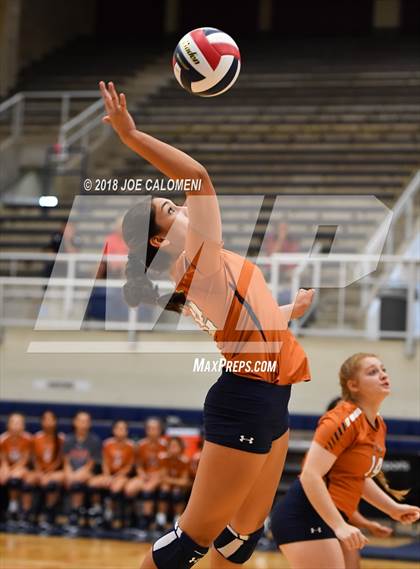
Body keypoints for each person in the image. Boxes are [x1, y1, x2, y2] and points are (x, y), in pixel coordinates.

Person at [100, 80, 314, 569]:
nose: (181, 209)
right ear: (157, 240)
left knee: (241, 537)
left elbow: (246, 325)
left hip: (271, 389)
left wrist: (286, 314)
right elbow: (197, 174)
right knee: (191, 541)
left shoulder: (198, 269)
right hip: (246, 397)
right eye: (169, 210)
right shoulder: (197, 258)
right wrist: (131, 137)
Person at [270, 353, 420, 569]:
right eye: (372, 372)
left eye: (383, 369)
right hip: (304, 515)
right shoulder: (342, 419)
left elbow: (358, 478)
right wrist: (340, 525)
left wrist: (393, 508)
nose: (383, 375)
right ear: (353, 385)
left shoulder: (378, 424)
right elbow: (310, 475)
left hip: (329, 517)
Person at [88, 419, 135, 529]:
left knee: (116, 487)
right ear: (113, 430)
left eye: (123, 429)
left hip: (122, 476)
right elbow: (105, 462)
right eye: (118, 428)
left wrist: (116, 477)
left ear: (127, 431)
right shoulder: (107, 443)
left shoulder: (131, 446)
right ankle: (97, 509)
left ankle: (113, 515)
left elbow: (129, 467)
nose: (120, 431)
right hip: (109, 474)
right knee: (92, 483)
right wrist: (107, 476)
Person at [125, 417, 167, 531]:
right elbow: (138, 465)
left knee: (148, 489)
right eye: (150, 429)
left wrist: (156, 476)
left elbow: (167, 467)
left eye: (155, 429)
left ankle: (147, 520)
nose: (152, 431)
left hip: (160, 476)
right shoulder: (140, 445)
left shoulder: (165, 445)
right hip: (145, 475)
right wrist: (142, 474)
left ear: (160, 430)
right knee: (129, 489)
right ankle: (133, 517)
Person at [63, 411, 102, 528]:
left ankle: (93, 511)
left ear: (89, 424)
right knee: (60, 481)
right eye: (80, 420)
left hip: (87, 473)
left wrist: (78, 475)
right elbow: (66, 461)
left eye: (86, 421)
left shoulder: (94, 440)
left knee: (81, 482)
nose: (83, 424)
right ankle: (74, 512)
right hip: (72, 471)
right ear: (74, 422)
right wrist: (69, 474)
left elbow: (91, 464)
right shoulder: (68, 439)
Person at [32, 410, 65, 528]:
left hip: (54, 471)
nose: (48, 422)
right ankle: (26, 513)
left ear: (55, 422)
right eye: (46, 419)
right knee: (26, 481)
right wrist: (40, 472)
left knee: (52, 483)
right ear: (41, 422)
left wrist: (49, 472)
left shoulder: (60, 438)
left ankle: (49, 512)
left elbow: (60, 459)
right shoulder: (36, 437)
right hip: (39, 470)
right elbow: (34, 458)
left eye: (51, 419)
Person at [0, 413, 32, 525]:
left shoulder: (28, 439)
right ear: (7, 425)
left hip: (23, 468)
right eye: (13, 422)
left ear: (23, 426)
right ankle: (5, 509)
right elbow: (3, 460)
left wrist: (12, 471)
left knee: (17, 478)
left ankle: (18, 510)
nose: (16, 426)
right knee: (3, 477)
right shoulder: (3, 439)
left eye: (19, 423)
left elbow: (24, 460)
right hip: (7, 467)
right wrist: (5, 470)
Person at [158, 437, 191, 529]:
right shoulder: (163, 458)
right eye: (171, 446)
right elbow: (162, 478)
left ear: (181, 448)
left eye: (176, 446)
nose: (173, 449)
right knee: (164, 490)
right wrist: (174, 481)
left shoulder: (185, 461)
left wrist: (171, 481)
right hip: (168, 486)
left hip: (179, 488)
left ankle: (177, 521)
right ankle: (160, 520)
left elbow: (184, 481)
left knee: (177, 492)